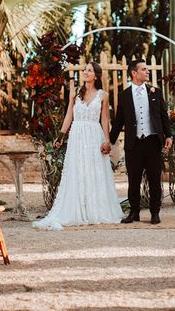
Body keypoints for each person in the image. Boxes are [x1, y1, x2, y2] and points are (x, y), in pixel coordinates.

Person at [32, 62, 123, 230]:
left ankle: (94, 210)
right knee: (78, 170)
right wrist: (60, 136)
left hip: (94, 135)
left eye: (89, 70)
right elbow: (69, 116)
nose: (85, 72)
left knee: (94, 171)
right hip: (77, 136)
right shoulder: (75, 93)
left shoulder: (102, 95)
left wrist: (107, 140)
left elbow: (105, 120)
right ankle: (77, 209)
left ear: (96, 75)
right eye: (84, 70)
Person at [110, 59, 172, 225]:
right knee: (134, 181)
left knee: (154, 180)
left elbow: (164, 116)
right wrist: (110, 141)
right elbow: (118, 121)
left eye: (147, 69)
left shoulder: (155, 92)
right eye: (144, 69)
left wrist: (169, 136)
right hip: (133, 144)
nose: (147, 72)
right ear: (134, 73)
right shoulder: (124, 96)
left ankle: (155, 212)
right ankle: (134, 213)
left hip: (153, 142)